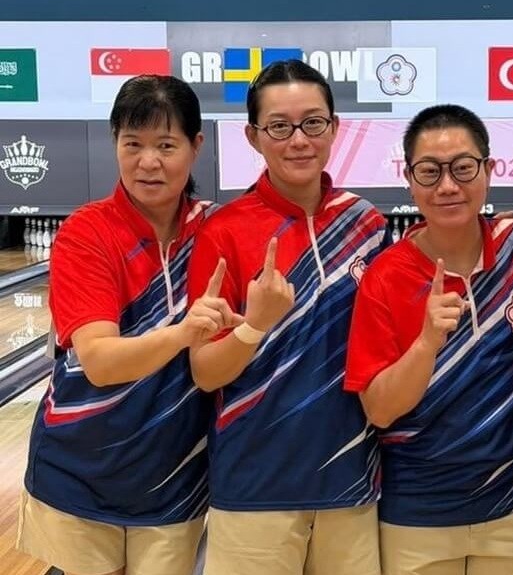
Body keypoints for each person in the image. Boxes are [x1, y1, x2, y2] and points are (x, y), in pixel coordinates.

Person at [17, 75, 241, 575]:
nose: (148, 162)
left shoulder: (218, 230)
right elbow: (99, 362)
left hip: (178, 474)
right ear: (114, 141)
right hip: (81, 467)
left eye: (166, 145)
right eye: (132, 144)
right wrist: (185, 331)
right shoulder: (87, 233)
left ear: (195, 146)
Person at [186, 59, 387, 575]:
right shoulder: (224, 233)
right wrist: (254, 325)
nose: (299, 140)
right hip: (254, 489)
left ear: (335, 128)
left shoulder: (367, 224)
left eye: (313, 123)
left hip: (351, 484)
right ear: (254, 137)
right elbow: (205, 371)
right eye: (279, 126)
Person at [345, 104, 513, 575]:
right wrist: (426, 344)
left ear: (490, 170)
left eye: (463, 168)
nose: (447, 186)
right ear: (409, 179)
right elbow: (379, 410)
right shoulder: (385, 277)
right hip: (417, 517)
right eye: (430, 172)